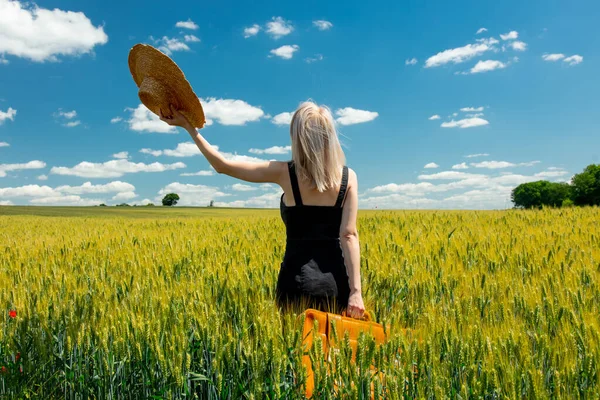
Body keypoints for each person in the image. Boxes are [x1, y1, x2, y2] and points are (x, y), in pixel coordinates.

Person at [159, 101, 365, 318]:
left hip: (296, 283)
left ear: (298, 138)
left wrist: (190, 129)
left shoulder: (284, 173)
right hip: (336, 285)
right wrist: (356, 292)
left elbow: (223, 165)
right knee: (332, 349)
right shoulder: (348, 177)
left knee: (293, 349)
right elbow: (349, 235)